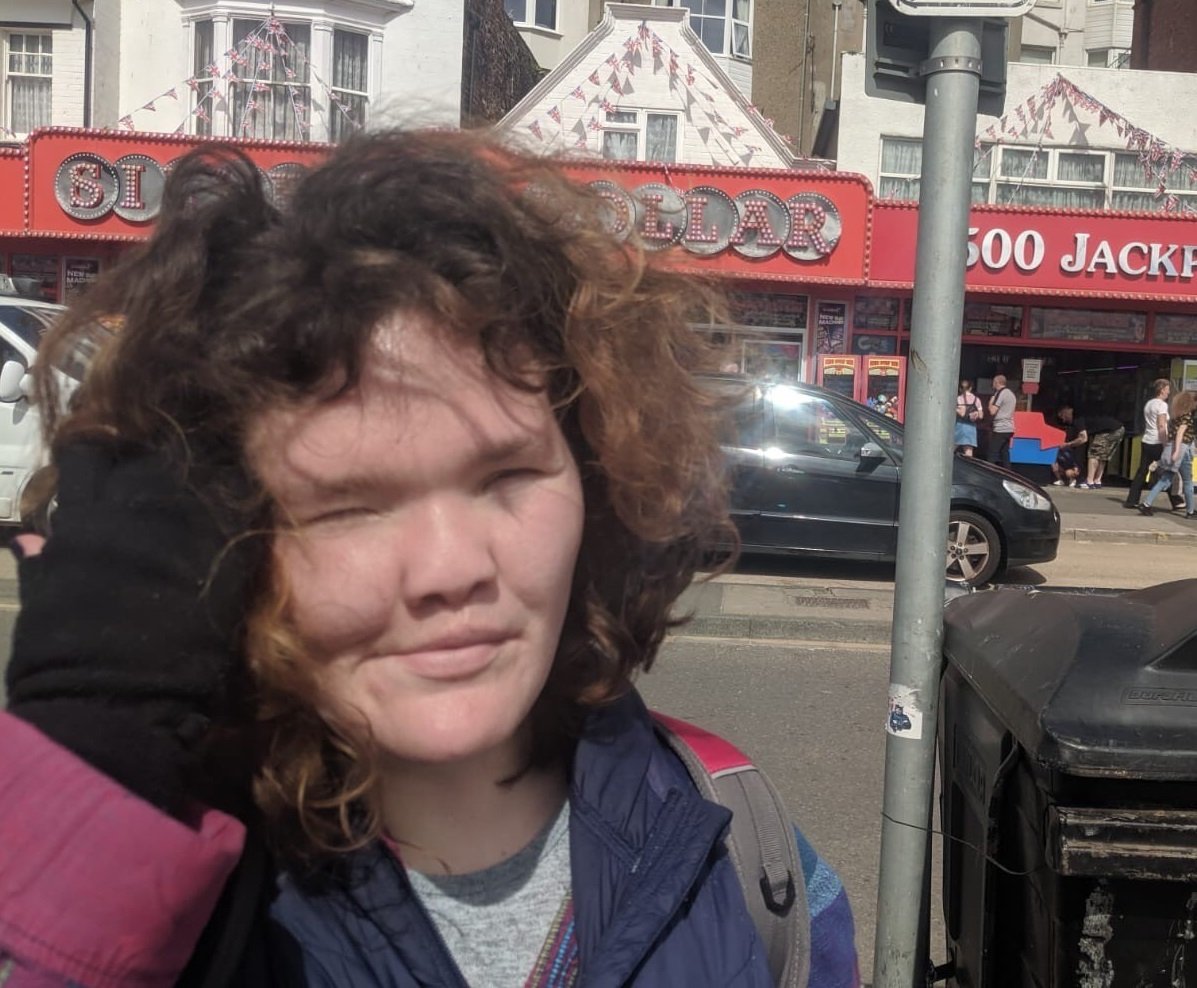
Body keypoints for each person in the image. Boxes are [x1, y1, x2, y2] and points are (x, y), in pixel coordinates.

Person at [0, 131, 859, 987]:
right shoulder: (168, 895)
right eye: (348, 505)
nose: (452, 569)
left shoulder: (743, 842)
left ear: (596, 479)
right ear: (227, 541)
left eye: (507, 475)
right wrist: (97, 778)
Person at [1138, 389, 1197, 518]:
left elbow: (1172, 434)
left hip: (1171, 449)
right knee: (1187, 481)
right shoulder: (1187, 417)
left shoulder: (1176, 417)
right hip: (1183, 451)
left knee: (1165, 479)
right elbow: (1180, 434)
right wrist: (1176, 452)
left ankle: (1147, 503)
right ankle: (1191, 511)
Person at [1124, 378, 1172, 508]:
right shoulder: (1162, 405)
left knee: (1142, 470)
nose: (1169, 392)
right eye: (1168, 389)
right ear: (1162, 389)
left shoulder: (1149, 404)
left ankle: (1132, 499)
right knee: (1168, 470)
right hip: (1157, 441)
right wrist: (1165, 443)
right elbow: (1161, 425)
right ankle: (1176, 501)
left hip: (1147, 439)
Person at [986, 374, 1016, 468]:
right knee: (1004, 453)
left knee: (992, 453)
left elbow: (992, 411)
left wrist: (991, 401)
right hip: (1009, 427)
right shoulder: (1011, 394)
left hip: (1000, 428)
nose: (992, 385)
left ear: (997, 382)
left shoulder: (1000, 393)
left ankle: (989, 474)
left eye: (993, 382)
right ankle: (1008, 473)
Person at [954, 379, 983, 457]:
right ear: (970, 388)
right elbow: (981, 416)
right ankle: (968, 468)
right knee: (968, 451)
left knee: (952, 448)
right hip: (971, 428)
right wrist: (976, 414)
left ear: (960, 389)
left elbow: (962, 413)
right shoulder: (977, 400)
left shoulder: (957, 399)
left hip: (959, 426)